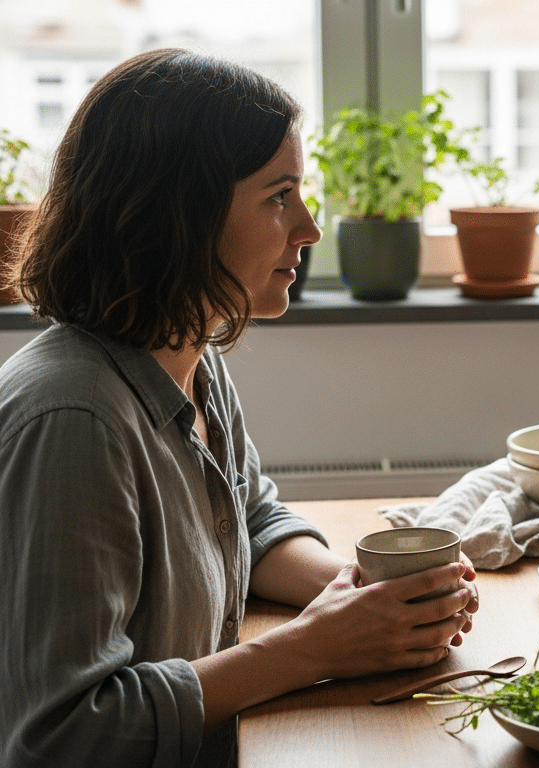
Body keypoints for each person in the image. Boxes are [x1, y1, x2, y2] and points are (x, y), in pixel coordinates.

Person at [0, 49, 479, 768]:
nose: (310, 228)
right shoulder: (75, 421)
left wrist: (367, 597)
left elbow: (246, 520)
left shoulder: (192, 353)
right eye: (280, 195)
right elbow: (62, 733)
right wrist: (315, 647)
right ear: (178, 216)